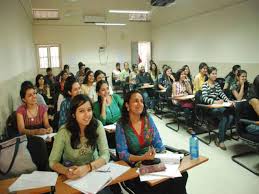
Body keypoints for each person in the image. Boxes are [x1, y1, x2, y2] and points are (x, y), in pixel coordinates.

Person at [115, 90, 188, 194]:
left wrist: (164, 156)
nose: (140, 104)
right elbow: (122, 154)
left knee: (182, 175)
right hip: (136, 166)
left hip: (154, 160)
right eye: (135, 101)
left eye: (141, 101)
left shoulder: (147, 118)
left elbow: (157, 141)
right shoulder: (121, 125)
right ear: (127, 105)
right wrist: (142, 158)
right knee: (162, 184)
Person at [49, 94, 110, 180]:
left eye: (89, 110)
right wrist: (66, 171)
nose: (87, 115)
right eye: (81, 111)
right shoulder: (64, 131)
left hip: (93, 169)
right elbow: (53, 162)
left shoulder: (97, 125)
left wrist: (88, 167)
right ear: (73, 114)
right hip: (72, 173)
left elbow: (105, 154)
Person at [17, 81, 52, 170]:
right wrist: (36, 132)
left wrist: (49, 129)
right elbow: (21, 130)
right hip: (27, 140)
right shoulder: (21, 111)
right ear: (24, 99)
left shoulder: (42, 109)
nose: (34, 97)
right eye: (30, 95)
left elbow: (47, 124)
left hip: (42, 137)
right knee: (39, 144)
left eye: (34, 93)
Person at [201, 67, 234, 150]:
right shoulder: (205, 85)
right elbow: (204, 98)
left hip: (218, 106)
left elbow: (222, 94)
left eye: (216, 73)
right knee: (223, 118)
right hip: (210, 108)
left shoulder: (217, 84)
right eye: (213, 73)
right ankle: (221, 140)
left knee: (230, 117)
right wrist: (215, 102)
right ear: (208, 74)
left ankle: (219, 137)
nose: (215, 75)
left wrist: (228, 101)